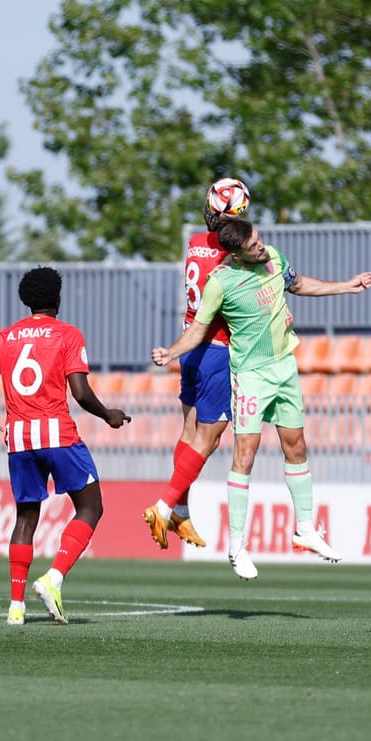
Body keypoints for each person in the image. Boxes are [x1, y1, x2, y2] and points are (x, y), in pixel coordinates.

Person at [150, 218, 371, 580]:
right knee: (246, 454)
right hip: (251, 375)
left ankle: (305, 529)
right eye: (253, 244)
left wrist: (347, 287)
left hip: (284, 368)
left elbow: (299, 284)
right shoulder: (221, 282)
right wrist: (170, 352)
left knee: (297, 447)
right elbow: (197, 330)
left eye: (258, 238)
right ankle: (237, 545)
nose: (261, 245)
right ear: (236, 254)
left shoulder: (273, 257)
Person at [0, 266, 129, 626]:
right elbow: (80, 392)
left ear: (26, 300)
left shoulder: (5, 337)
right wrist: (108, 415)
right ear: (57, 298)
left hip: (20, 439)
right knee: (91, 508)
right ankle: (53, 577)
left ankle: (15, 607)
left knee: (25, 516)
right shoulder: (67, 335)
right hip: (58, 434)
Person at [143, 177, 250, 551]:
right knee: (210, 436)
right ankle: (164, 504)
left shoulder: (194, 244)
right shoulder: (231, 255)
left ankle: (181, 511)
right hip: (215, 350)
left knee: (189, 433)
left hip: (190, 348)